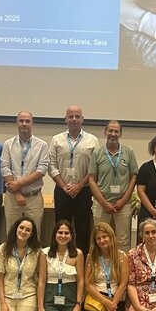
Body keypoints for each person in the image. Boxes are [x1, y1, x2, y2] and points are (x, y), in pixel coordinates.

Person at [48, 106, 98, 253]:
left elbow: (94, 168)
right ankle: (60, 258)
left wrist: (79, 186)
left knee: (83, 230)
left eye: (77, 116)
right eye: (71, 116)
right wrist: (64, 186)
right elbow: (51, 165)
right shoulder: (56, 139)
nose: (74, 119)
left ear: (83, 119)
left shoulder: (92, 140)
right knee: (61, 229)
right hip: (62, 191)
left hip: (84, 191)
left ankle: (81, 260)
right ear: (65, 119)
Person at [88, 120, 138, 251]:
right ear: (105, 132)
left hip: (123, 205)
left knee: (123, 240)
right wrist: (103, 202)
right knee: (100, 239)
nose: (113, 134)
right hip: (101, 204)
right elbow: (91, 179)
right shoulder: (97, 153)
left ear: (120, 134)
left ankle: (122, 264)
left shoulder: (128, 152)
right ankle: (99, 264)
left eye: (116, 131)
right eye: (110, 130)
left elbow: (133, 177)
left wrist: (123, 200)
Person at [0, 111, 50, 234]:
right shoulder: (8, 144)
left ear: (32, 124)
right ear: (16, 123)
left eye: (27, 121)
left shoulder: (42, 145)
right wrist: (17, 193)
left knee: (34, 234)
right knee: (12, 234)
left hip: (33, 198)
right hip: (12, 197)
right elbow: (5, 168)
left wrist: (18, 184)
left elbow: (42, 169)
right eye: (21, 121)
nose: (24, 124)